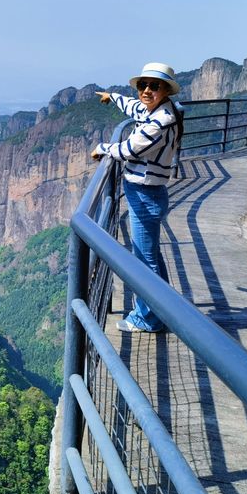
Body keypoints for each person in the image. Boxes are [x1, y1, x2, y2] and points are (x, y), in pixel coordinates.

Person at [90, 62, 182, 333]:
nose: (146, 90)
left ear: (166, 89)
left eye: (154, 86)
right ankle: (165, 308)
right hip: (147, 193)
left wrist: (103, 148)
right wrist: (113, 97)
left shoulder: (160, 122)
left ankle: (149, 318)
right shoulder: (158, 109)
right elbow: (134, 107)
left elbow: (130, 148)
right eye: (143, 85)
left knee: (144, 260)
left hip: (146, 195)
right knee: (150, 256)